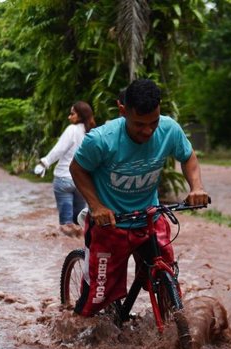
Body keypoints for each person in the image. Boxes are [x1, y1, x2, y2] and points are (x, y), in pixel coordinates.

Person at [69, 78, 209, 317]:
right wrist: (96, 206)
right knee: (96, 299)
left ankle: (170, 324)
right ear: (123, 110)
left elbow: (188, 156)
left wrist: (196, 187)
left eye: (153, 123)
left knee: (168, 283)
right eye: (139, 124)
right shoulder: (101, 139)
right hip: (110, 225)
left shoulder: (169, 129)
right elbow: (77, 169)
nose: (148, 131)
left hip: (150, 220)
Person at [36, 101, 96, 237]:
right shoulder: (93, 133)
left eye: (72, 114)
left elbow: (59, 150)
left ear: (80, 115)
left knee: (66, 224)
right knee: (80, 222)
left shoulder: (72, 130)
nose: (69, 117)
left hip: (64, 179)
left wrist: (44, 163)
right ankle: (79, 250)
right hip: (82, 182)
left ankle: (67, 251)